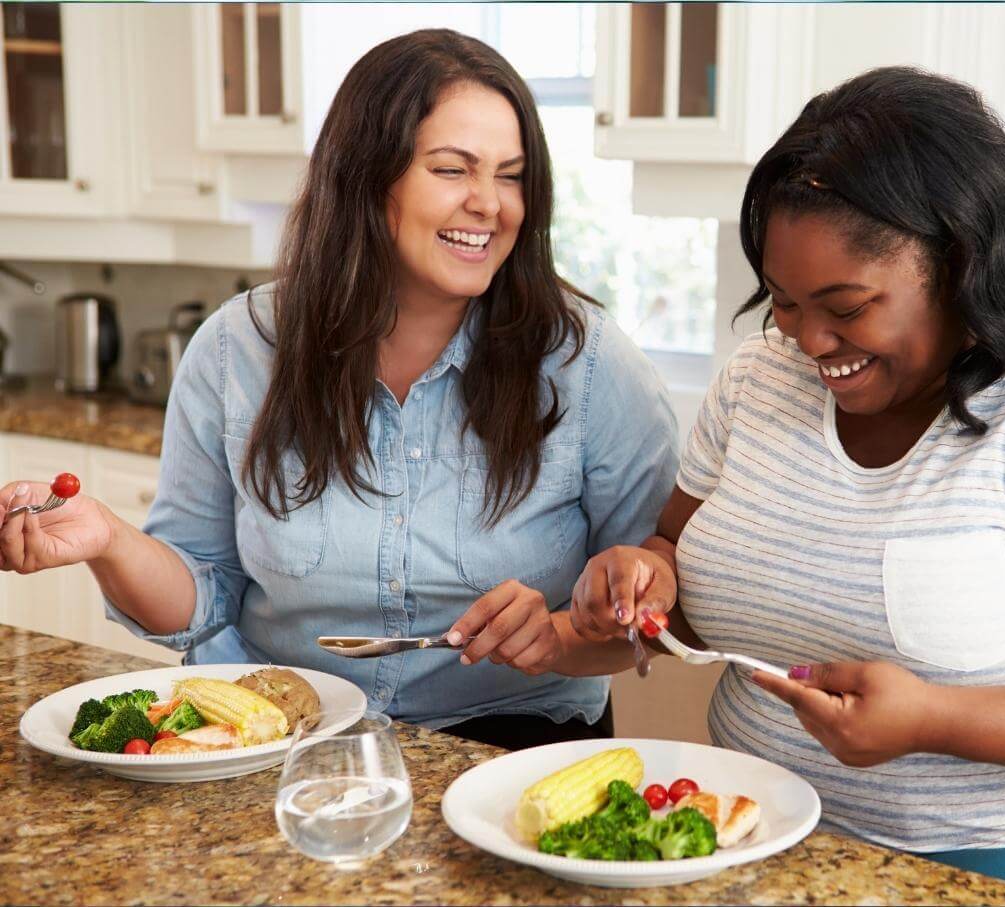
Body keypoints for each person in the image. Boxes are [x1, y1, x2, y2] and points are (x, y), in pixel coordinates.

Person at [0, 29, 679, 751]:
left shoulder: (590, 363)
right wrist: (108, 539)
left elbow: (649, 621)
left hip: (506, 751)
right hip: (278, 740)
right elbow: (201, 598)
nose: (490, 203)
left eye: (510, 175)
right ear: (365, 175)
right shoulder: (238, 349)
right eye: (453, 169)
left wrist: (560, 634)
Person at [563, 67, 1005, 897]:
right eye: (785, 302)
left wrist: (934, 721)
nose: (809, 340)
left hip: (984, 862)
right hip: (737, 828)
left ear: (959, 262)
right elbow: (677, 561)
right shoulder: (757, 381)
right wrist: (642, 577)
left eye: (846, 304)